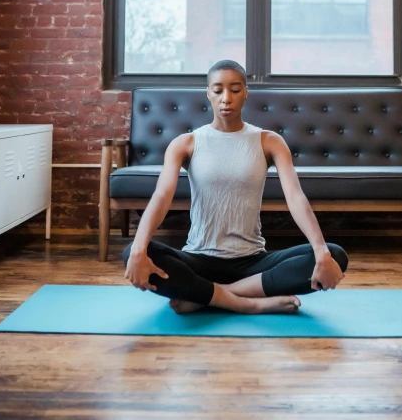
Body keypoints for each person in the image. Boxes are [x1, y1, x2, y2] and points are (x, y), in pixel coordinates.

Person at [123, 59, 348, 315]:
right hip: (198, 258)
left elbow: (295, 197)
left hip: (253, 261)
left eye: (235, 89)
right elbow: (162, 195)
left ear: (246, 93)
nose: (226, 98)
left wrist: (320, 252)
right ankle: (247, 303)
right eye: (218, 90)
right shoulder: (185, 143)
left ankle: (203, 295)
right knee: (134, 251)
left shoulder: (269, 142)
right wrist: (139, 250)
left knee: (334, 255)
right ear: (208, 93)